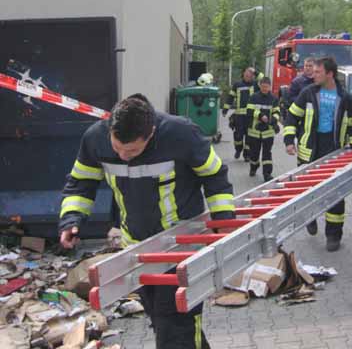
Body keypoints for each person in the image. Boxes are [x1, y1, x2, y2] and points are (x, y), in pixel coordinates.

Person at [59, 94, 234, 349]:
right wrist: (71, 220)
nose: (123, 155)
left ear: (151, 133)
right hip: (136, 252)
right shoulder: (95, 138)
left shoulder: (181, 134)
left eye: (131, 150)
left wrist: (224, 220)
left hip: (181, 249)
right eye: (117, 148)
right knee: (167, 322)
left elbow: (215, 175)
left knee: (174, 324)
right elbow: (81, 182)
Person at [283, 57, 352, 251]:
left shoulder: (345, 98)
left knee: (336, 194)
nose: (313, 74)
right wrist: (288, 140)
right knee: (307, 192)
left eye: (318, 72)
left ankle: (333, 235)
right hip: (309, 151)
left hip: (334, 151)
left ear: (330, 74)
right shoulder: (308, 93)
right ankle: (309, 217)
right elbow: (292, 116)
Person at [246, 76, 280, 182]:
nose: (265, 89)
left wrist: (272, 120)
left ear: (270, 87)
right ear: (260, 86)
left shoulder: (274, 99)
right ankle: (254, 167)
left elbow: (277, 112)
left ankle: (267, 174)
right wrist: (260, 116)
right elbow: (249, 111)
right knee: (254, 154)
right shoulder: (253, 97)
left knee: (267, 153)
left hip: (268, 132)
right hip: (254, 132)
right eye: (263, 87)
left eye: (267, 87)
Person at [222, 67, 259, 161]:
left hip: (251, 116)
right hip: (239, 116)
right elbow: (230, 97)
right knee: (238, 135)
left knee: (249, 136)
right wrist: (225, 109)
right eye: (246, 74)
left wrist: (255, 71)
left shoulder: (256, 85)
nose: (248, 76)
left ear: (252, 76)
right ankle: (238, 149)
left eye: (250, 75)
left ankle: (247, 155)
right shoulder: (237, 85)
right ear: (243, 74)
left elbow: (264, 79)